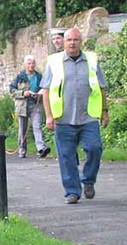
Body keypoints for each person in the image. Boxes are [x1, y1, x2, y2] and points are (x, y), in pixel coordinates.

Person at [40, 28, 108, 204]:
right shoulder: (54, 62)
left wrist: (105, 111)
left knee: (94, 148)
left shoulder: (92, 60)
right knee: (66, 156)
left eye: (75, 40)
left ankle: (88, 180)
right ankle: (72, 191)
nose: (72, 43)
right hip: (63, 118)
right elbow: (46, 90)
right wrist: (48, 116)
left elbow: (101, 86)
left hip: (89, 116)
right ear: (63, 42)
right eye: (69, 39)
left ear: (81, 41)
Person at [9, 55, 49, 158]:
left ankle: (41, 148)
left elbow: (44, 88)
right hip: (22, 105)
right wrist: (23, 93)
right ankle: (22, 150)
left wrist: (39, 94)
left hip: (35, 104)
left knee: (37, 126)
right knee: (22, 128)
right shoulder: (20, 77)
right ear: (25, 65)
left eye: (33, 63)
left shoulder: (39, 76)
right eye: (29, 63)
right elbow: (12, 90)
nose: (31, 65)